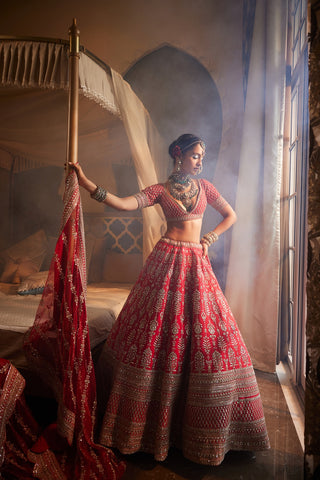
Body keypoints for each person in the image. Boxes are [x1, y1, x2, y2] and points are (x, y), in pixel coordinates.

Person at [71, 133, 270, 466]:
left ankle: (209, 425)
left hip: (196, 262)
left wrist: (210, 236)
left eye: (202, 155)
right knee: (155, 334)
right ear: (179, 155)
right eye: (195, 155)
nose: (200, 160)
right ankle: (147, 426)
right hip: (165, 261)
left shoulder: (205, 187)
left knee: (209, 335)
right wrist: (87, 183)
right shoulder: (159, 190)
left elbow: (231, 215)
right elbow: (122, 203)